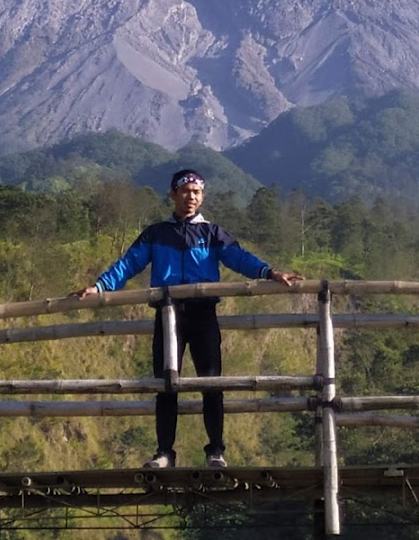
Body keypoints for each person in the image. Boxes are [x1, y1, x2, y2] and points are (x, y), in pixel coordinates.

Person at [73, 168, 303, 469]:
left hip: (203, 311)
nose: (190, 197)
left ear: (202, 197)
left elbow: (239, 258)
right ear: (173, 194)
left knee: (211, 381)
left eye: (196, 192)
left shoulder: (212, 233)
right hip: (168, 313)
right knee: (167, 383)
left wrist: (270, 273)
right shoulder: (156, 234)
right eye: (185, 191)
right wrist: (100, 286)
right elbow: (128, 264)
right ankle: (164, 452)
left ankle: (215, 451)